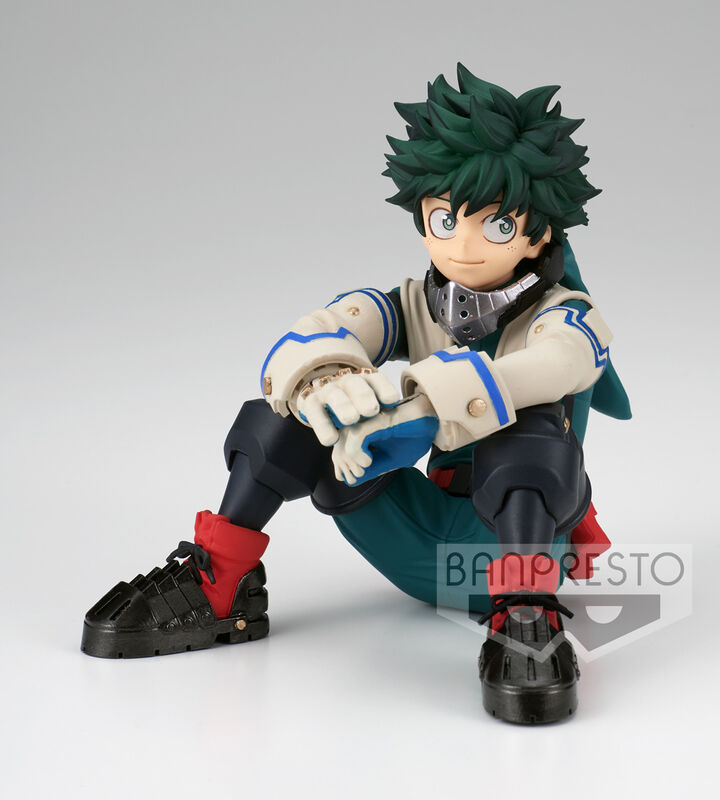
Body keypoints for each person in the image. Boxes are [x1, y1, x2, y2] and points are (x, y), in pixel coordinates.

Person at [82, 64, 631, 725]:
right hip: (410, 539)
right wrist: (326, 385)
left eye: (497, 227)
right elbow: (320, 331)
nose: (462, 245)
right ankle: (219, 579)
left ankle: (528, 617)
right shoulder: (414, 302)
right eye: (444, 218)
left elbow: (558, 363)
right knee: (282, 417)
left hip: (508, 545)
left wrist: (419, 405)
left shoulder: (565, 314)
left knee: (529, 438)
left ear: (540, 232)